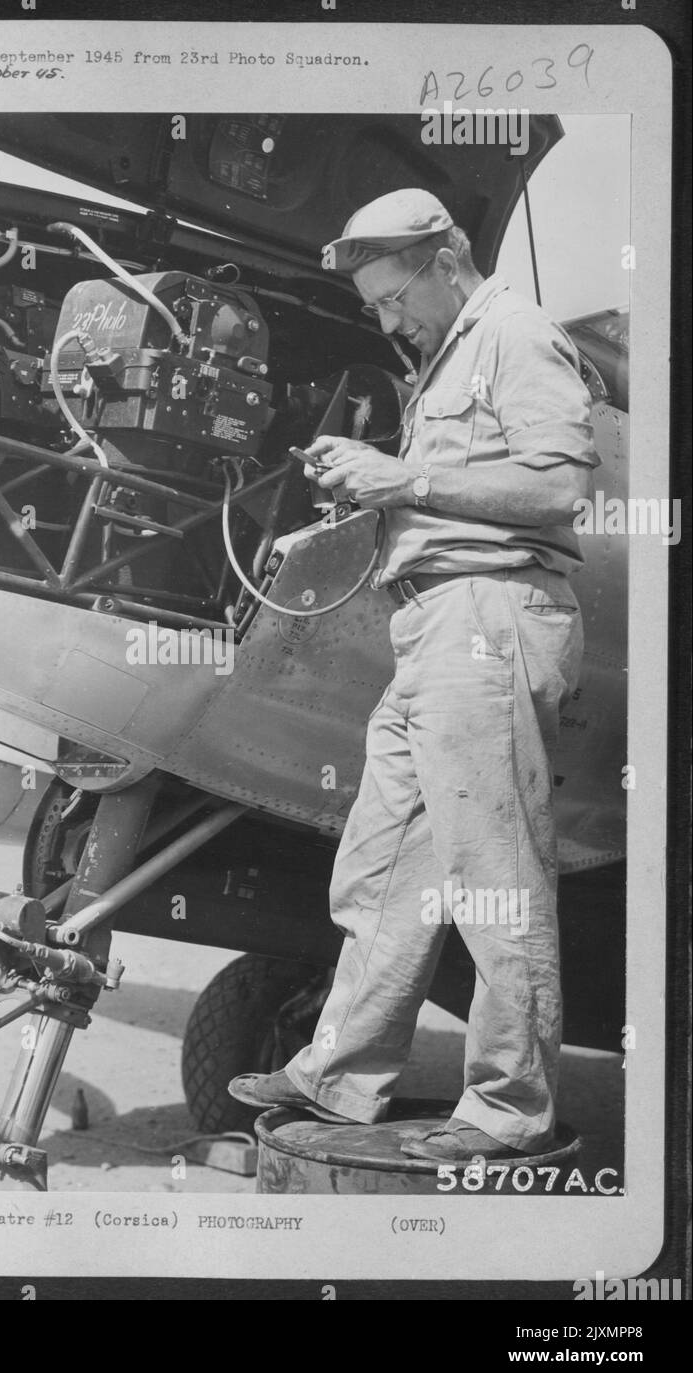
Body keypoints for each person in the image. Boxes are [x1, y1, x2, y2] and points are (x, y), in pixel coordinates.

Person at [228, 188, 600, 1161]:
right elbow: (446, 503)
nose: (386, 320)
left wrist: (400, 480)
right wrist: (363, 507)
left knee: (492, 879)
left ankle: (506, 1111)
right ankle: (338, 1076)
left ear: (444, 260)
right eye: (372, 309)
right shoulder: (443, 360)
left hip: (489, 621)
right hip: (432, 629)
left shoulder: (514, 335)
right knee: (385, 862)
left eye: (392, 297)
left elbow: (558, 487)